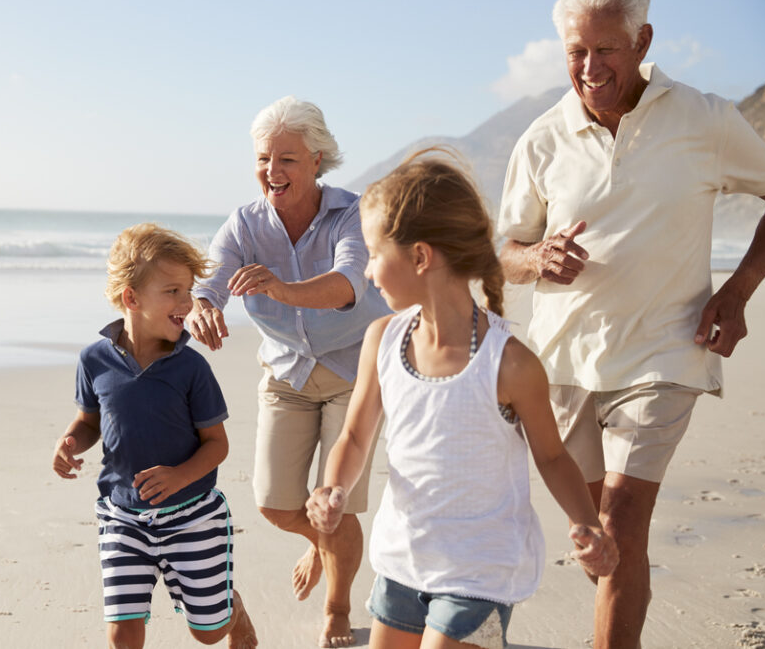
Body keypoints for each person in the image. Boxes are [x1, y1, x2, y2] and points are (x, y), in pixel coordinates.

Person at [497, 0, 765, 647]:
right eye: (575, 52)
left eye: (606, 50)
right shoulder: (541, 138)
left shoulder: (704, 118)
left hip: (665, 350)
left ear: (643, 41)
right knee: (602, 539)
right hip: (562, 359)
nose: (590, 68)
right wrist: (537, 260)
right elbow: (502, 249)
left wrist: (737, 290)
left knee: (620, 522)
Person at [306, 148, 619, 649]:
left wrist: (586, 523)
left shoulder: (510, 364)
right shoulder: (383, 339)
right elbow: (355, 435)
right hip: (403, 559)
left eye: (373, 255)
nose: (365, 272)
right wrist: (332, 488)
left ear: (420, 256)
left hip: (480, 570)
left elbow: (553, 456)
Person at [187, 96, 391, 647]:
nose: (272, 172)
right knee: (277, 504)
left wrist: (280, 287)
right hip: (287, 376)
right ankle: (321, 541)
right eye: (263, 159)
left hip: (356, 373)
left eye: (288, 160)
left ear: (318, 159)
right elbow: (208, 280)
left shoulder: (352, 213)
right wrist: (203, 306)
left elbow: (350, 282)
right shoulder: (245, 224)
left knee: (333, 501)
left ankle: (338, 609)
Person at [51, 223, 258, 649]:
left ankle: (231, 612)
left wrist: (181, 476)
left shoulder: (191, 368)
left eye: (189, 290)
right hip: (123, 515)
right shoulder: (94, 361)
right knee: (123, 633)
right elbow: (89, 420)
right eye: (173, 292)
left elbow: (217, 444)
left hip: (193, 515)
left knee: (208, 632)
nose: (188, 302)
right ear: (132, 298)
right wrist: (70, 441)